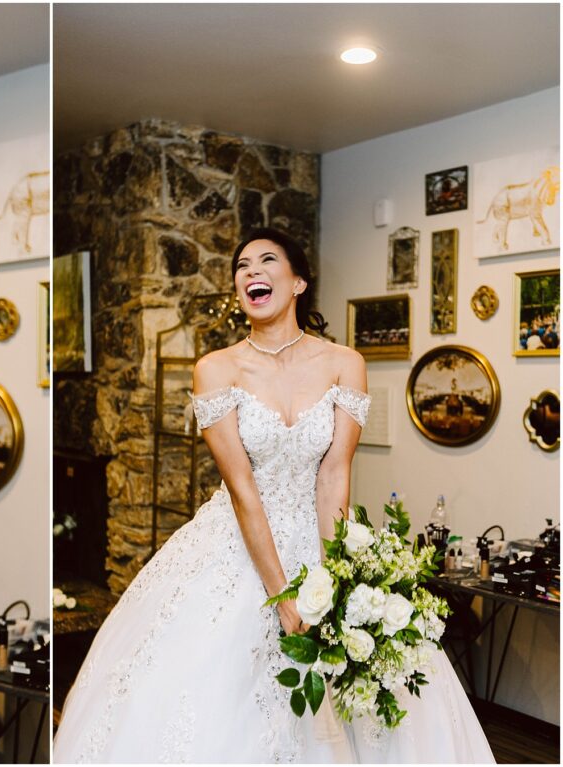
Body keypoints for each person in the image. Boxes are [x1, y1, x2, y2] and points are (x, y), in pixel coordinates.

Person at [52, 227, 494, 763]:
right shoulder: (216, 368)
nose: (250, 271)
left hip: (320, 533)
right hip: (235, 543)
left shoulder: (344, 363)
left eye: (266, 260)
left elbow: (334, 475)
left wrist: (340, 578)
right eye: (241, 266)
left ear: (299, 281)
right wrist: (282, 594)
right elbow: (242, 491)